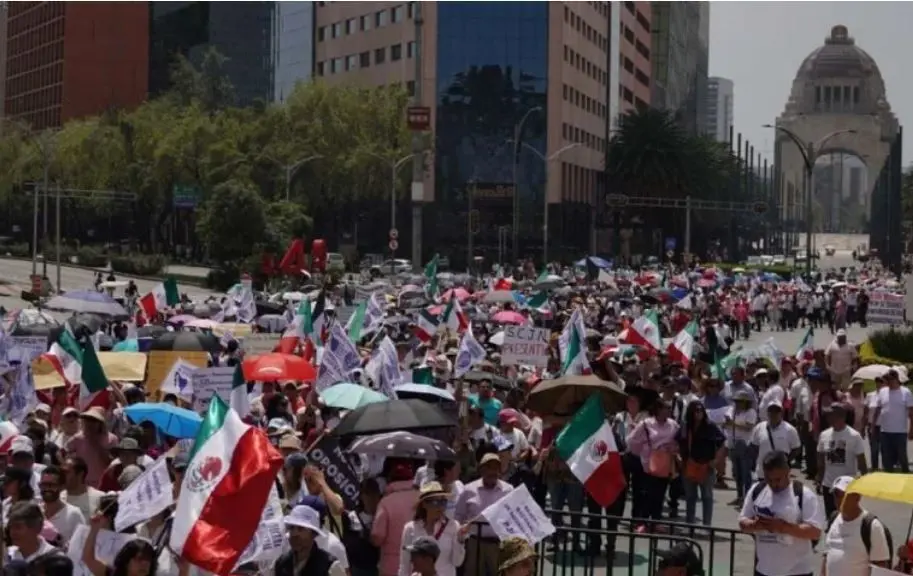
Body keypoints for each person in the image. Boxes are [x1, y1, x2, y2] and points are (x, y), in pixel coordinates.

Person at [739, 451, 825, 576]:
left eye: (778, 479)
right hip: (763, 570)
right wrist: (755, 525)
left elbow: (815, 532)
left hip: (796, 572)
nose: (774, 484)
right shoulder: (757, 490)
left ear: (788, 472)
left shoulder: (803, 494)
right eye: (769, 479)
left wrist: (783, 527)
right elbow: (742, 522)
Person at [455, 453, 513, 576]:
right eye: (489, 468)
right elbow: (458, 516)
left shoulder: (508, 490)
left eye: (496, 468)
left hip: (498, 544)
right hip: (474, 544)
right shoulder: (468, 490)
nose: (492, 472)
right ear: (481, 470)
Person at [820, 475, 891, 575]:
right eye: (837, 495)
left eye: (844, 495)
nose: (840, 500)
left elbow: (880, 565)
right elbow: (827, 556)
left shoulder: (871, 526)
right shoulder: (833, 519)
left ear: (858, 496)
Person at [398, 482, 466, 576]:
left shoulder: (453, 526)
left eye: (443, 502)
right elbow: (404, 564)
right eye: (435, 502)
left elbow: (457, 562)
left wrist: (460, 540)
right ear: (424, 504)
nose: (440, 507)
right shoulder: (410, 528)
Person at [677, 400, 725, 527]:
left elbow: (722, 444)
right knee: (690, 497)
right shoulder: (685, 427)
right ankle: (690, 524)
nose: (699, 413)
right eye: (696, 410)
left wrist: (716, 461)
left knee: (707, 497)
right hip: (689, 465)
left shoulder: (710, 427)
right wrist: (678, 459)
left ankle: (706, 525)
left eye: (701, 410)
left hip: (706, 467)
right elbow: (677, 443)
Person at [816, 403, 867, 518]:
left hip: (846, 486)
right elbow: (820, 459)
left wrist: (865, 481)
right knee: (831, 517)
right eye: (828, 415)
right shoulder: (824, 435)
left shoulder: (854, 436)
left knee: (847, 516)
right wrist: (819, 478)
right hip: (828, 485)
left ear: (842, 417)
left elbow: (861, 461)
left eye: (832, 415)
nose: (829, 418)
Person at [274, 505, 346, 576]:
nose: (294, 534)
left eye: (301, 529)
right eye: (291, 528)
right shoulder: (282, 563)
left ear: (314, 534)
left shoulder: (329, 565)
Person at [872, 369, 913, 473]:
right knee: (886, 457)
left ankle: (906, 476)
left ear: (896, 379)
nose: (888, 382)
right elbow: (878, 410)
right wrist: (873, 426)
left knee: (902, 457)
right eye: (886, 380)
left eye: (889, 380)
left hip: (900, 432)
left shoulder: (906, 392)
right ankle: (888, 476)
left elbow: (911, 413)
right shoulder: (882, 391)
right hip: (885, 431)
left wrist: (911, 430)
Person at [749, 401, 800, 479]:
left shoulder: (790, 429)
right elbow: (753, 446)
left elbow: (796, 448)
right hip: (762, 473)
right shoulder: (759, 427)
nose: (773, 413)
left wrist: (786, 460)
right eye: (771, 411)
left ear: (781, 413)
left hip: (781, 473)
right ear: (767, 413)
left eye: (776, 411)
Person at [724, 390, 757, 504]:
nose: (738, 404)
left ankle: (747, 498)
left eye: (740, 401)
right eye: (737, 401)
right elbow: (726, 419)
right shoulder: (732, 410)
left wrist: (733, 424)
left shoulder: (750, 412)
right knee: (737, 473)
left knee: (745, 473)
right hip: (733, 442)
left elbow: (749, 426)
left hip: (745, 444)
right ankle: (739, 496)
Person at [38, 466, 85, 544]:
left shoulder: (74, 514)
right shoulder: (34, 511)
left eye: (51, 485)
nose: (47, 489)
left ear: (62, 487)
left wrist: (59, 540)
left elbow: (81, 546)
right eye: (44, 485)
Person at [61, 456, 104, 521]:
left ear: (80, 474)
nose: (61, 476)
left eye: (66, 472)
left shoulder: (99, 498)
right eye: (61, 472)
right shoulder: (58, 498)